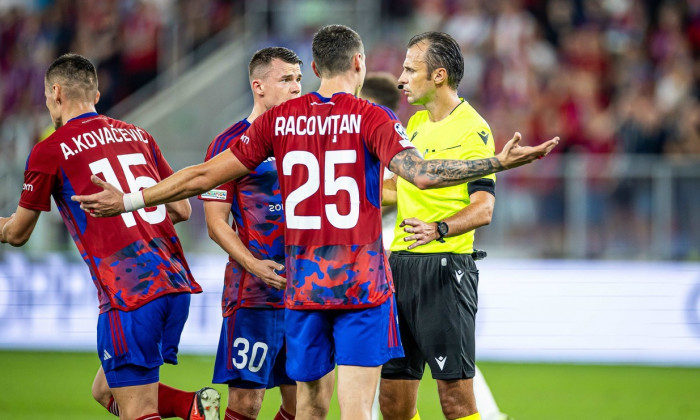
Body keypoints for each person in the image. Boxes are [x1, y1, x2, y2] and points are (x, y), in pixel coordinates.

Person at [72, 25, 558, 419]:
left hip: (303, 290)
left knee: (306, 407)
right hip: (362, 285)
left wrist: (132, 198)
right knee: (353, 412)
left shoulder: (277, 122)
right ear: (359, 65)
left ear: (315, 68)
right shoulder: (373, 117)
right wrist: (497, 163)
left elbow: (202, 176)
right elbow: (424, 176)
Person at [0, 53, 220, 420]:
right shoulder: (139, 135)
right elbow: (181, 210)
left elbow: (17, 233)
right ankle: (192, 407)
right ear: (96, 93)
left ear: (55, 92)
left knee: (138, 410)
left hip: (130, 295)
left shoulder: (50, 149)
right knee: (104, 390)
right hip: (176, 286)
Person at [360, 70, 512, 420]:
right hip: (398, 267)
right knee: (393, 402)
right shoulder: (413, 124)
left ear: (438, 75)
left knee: (456, 401)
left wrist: (439, 228)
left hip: (445, 268)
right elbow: (395, 190)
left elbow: (484, 208)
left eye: (411, 69)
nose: (402, 78)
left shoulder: (472, 128)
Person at [199, 47, 301, 420]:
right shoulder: (228, 144)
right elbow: (215, 223)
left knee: (303, 405)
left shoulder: (308, 139)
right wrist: (254, 264)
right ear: (258, 86)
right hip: (254, 294)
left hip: (306, 291)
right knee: (247, 402)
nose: (296, 87)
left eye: (299, 79)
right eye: (286, 79)